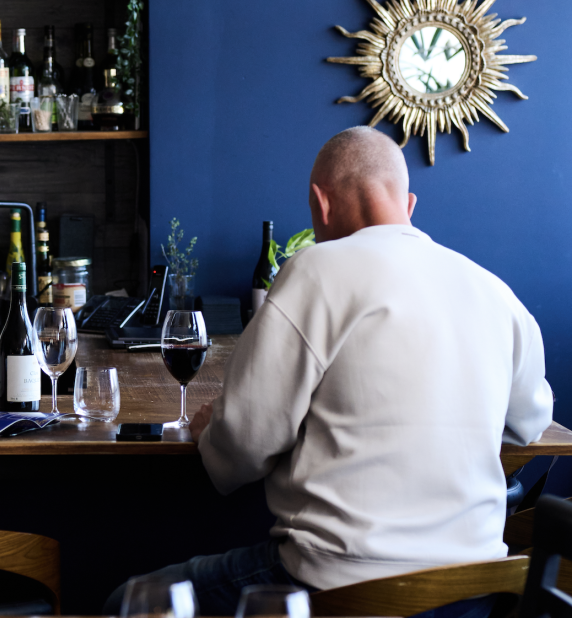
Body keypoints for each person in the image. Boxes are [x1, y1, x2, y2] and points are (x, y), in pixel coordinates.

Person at [106, 127, 552, 615]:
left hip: (340, 586)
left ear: (320, 203)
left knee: (129, 602)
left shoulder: (316, 269)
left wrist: (211, 427)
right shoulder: (494, 292)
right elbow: (530, 421)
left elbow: (243, 446)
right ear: (409, 204)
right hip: (475, 590)